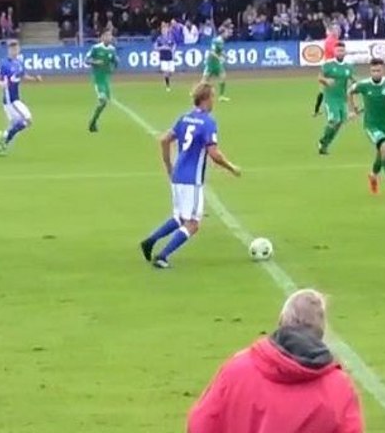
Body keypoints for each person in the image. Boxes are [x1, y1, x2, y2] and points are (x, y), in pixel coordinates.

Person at [187, 289, 364, 433]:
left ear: (281, 322)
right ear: (321, 331)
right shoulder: (338, 387)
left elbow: (201, 424)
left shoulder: (237, 368)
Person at [140, 83, 241, 269]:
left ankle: (150, 241)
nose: (214, 101)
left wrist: (169, 165)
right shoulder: (208, 122)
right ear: (205, 99)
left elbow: (164, 140)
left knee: (179, 217)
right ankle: (162, 256)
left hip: (178, 174)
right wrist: (231, 167)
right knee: (193, 223)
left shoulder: (184, 118)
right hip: (191, 180)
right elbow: (214, 153)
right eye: (212, 97)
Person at [350, 58, 385, 199]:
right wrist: (353, 109)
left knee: (382, 154)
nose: (376, 73)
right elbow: (349, 92)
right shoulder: (364, 85)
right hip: (371, 125)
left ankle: (373, 176)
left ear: (383, 70)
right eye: (373, 71)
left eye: (378, 70)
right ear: (370, 71)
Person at [0, 40, 41, 156]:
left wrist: (35, 79)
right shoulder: (4, 64)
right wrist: (1, 84)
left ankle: (3, 141)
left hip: (15, 99)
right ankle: (4, 139)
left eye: (17, 48)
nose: (15, 50)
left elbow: (23, 76)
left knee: (18, 123)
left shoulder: (19, 63)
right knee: (27, 119)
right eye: (13, 48)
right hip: (10, 101)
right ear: (9, 50)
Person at [317, 42, 356, 155]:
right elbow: (319, 77)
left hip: (342, 99)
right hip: (330, 98)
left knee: (340, 123)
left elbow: (352, 79)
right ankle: (322, 142)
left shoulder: (348, 67)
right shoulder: (328, 65)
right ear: (334, 52)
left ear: (345, 52)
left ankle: (325, 144)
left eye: (342, 50)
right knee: (334, 120)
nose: (340, 52)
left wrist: (358, 84)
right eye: (338, 50)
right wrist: (326, 81)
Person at [86, 30, 118, 133]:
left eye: (111, 35)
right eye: (108, 35)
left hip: (106, 80)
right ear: (102, 37)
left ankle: (93, 122)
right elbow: (86, 60)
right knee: (103, 100)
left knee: (104, 103)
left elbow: (114, 61)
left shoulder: (112, 49)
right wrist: (95, 62)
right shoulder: (96, 48)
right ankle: (92, 123)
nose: (110, 37)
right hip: (98, 79)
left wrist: (114, 66)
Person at [313, 25, 341, 116]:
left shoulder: (332, 40)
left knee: (325, 89)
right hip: (330, 66)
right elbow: (335, 53)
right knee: (328, 88)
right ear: (333, 31)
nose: (339, 32)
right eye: (337, 30)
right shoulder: (331, 41)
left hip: (330, 65)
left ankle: (317, 110)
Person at [202, 23, 231, 102]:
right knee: (205, 81)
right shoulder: (216, 41)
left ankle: (221, 96)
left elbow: (220, 51)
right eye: (226, 32)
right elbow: (212, 52)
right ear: (222, 33)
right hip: (211, 62)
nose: (227, 34)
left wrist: (226, 56)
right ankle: (196, 93)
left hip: (217, 63)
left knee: (223, 77)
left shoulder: (221, 41)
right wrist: (219, 57)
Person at [155, 21, 178, 92]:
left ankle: (167, 79)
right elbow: (156, 47)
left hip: (170, 56)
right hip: (163, 56)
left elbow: (174, 44)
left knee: (171, 71)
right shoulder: (159, 38)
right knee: (166, 71)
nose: (164, 31)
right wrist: (163, 47)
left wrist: (173, 50)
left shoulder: (170, 37)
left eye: (165, 29)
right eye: (163, 30)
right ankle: (168, 85)